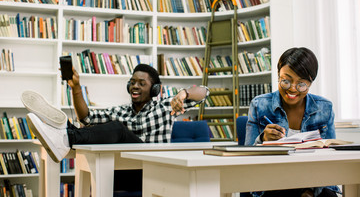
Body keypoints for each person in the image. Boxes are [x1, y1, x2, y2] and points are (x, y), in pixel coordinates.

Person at [21, 64, 209, 163]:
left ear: (155, 90)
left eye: (141, 83)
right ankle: (66, 132)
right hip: (123, 169)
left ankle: (65, 136)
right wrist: (76, 88)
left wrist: (184, 93)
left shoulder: (166, 107)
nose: (135, 86)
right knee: (99, 125)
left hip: (153, 167)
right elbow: (87, 118)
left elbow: (204, 92)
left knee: (118, 129)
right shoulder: (119, 111)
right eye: (132, 82)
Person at [244, 47, 339, 197]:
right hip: (272, 184)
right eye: (286, 81)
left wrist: (311, 190)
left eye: (301, 84)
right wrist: (262, 139)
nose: (292, 89)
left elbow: (331, 160)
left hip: (314, 183)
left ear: (311, 82)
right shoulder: (259, 105)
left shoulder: (324, 107)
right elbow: (246, 159)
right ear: (278, 76)